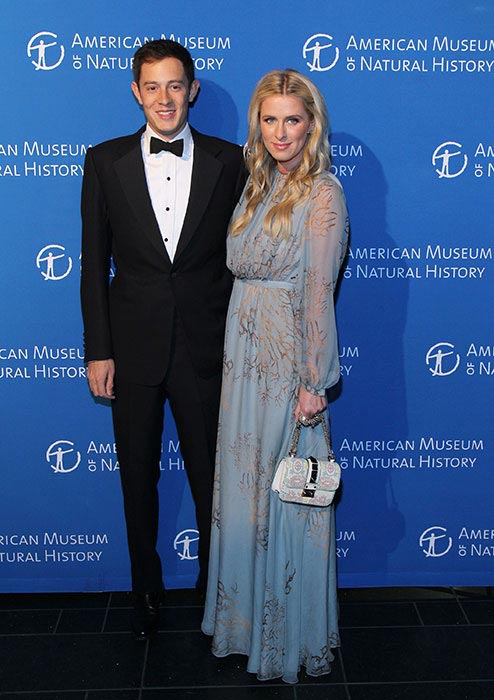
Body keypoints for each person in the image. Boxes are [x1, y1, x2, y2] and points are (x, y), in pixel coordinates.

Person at [80, 39, 245, 639]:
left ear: (193, 89)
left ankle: (215, 590)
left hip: (209, 348)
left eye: (175, 85)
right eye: (152, 86)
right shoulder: (104, 161)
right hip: (132, 349)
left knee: (213, 480)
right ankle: (145, 590)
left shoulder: (233, 161)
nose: (165, 98)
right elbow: (92, 262)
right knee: (136, 480)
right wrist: (98, 349)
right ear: (135, 91)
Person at [202, 69, 349, 683]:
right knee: (244, 495)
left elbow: (319, 293)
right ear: (256, 126)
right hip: (243, 358)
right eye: (269, 120)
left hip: (287, 364)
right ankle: (245, 627)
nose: (281, 132)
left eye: (293, 119)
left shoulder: (322, 192)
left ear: (311, 124)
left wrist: (314, 381)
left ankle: (284, 636)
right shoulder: (259, 184)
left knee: (284, 499)